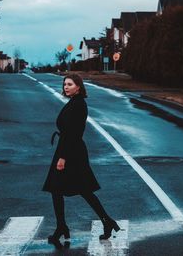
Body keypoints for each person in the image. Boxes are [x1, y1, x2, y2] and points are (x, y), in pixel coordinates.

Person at [42, 74, 120, 242]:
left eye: (70, 84)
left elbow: (73, 133)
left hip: (71, 152)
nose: (66, 87)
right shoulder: (73, 103)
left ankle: (105, 221)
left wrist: (62, 158)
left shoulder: (78, 105)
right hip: (69, 149)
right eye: (64, 84)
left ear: (78, 87)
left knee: (78, 189)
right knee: (63, 189)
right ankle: (64, 226)